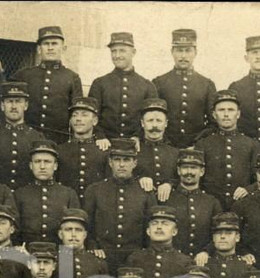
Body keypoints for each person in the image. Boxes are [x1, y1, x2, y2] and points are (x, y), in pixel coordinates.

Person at [84, 138, 158, 268]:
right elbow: (87, 224)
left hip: (135, 259)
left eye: (126, 160)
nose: (121, 165)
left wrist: (143, 255)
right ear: (110, 162)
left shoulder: (145, 192)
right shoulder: (95, 190)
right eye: (117, 160)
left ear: (135, 163)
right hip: (103, 258)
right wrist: (93, 246)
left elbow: (151, 226)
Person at [12, 26, 85, 142]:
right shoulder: (23, 75)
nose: (50, 48)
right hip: (26, 138)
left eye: (54, 44)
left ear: (63, 48)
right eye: (46, 44)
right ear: (39, 49)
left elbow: (76, 112)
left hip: (58, 139)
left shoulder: (72, 77)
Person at [194, 89, 260, 210]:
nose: (226, 114)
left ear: (238, 114)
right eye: (221, 110)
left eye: (230, 110)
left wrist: (247, 189)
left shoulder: (252, 144)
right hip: (211, 206)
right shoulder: (203, 144)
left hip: (242, 205)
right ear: (214, 115)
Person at [152, 29, 217, 148]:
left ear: (195, 52)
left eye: (188, 50)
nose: (183, 56)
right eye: (179, 50)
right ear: (172, 52)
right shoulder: (159, 83)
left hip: (196, 148)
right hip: (166, 147)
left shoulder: (207, 85)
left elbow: (214, 123)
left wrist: (198, 143)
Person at [89, 32, 158, 139]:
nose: (117, 56)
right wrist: (100, 136)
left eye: (122, 51)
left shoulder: (147, 86)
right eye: (113, 51)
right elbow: (92, 115)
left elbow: (151, 117)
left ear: (133, 52)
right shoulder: (99, 83)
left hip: (136, 144)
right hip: (105, 143)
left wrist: (138, 137)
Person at [126, 207, 193, 278]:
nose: (159, 227)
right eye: (154, 223)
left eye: (165, 224)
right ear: (148, 231)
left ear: (174, 231)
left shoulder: (185, 262)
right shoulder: (135, 259)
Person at [14, 139, 81, 245]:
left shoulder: (68, 194)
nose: (42, 166)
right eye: (37, 162)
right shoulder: (20, 194)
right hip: (27, 251)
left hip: (61, 251)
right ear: (31, 165)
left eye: (47, 162)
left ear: (55, 166)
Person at [0, 81, 46, 190]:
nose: (13, 106)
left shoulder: (37, 137)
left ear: (26, 105)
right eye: (9, 101)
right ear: (2, 106)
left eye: (18, 101)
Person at [166, 149, 221, 257]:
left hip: (202, 261)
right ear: (178, 170)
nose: (189, 172)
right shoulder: (167, 199)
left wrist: (206, 251)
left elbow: (218, 233)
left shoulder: (211, 202)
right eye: (185, 167)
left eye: (194, 168)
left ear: (202, 171)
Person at [197, 212, 249, 278]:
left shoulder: (246, 267)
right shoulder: (203, 265)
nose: (223, 237)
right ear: (213, 238)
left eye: (229, 233)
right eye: (218, 233)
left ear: (237, 237)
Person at [56, 96, 109, 201]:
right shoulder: (60, 150)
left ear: (95, 121)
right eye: (74, 115)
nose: (78, 119)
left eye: (84, 115)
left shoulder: (104, 151)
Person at [57, 208, 110, 278]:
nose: (73, 234)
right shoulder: (54, 261)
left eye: (78, 230)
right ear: (60, 234)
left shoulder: (98, 262)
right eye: (68, 229)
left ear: (85, 235)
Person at [136, 98, 179, 201]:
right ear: (142, 123)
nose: (154, 125)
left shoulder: (175, 153)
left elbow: (181, 178)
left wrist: (169, 184)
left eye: (159, 121)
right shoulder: (134, 150)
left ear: (166, 123)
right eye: (150, 120)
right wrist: (139, 179)